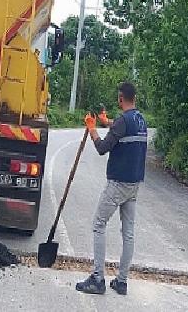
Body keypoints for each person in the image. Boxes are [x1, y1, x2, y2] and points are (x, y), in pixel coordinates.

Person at [75, 82, 147, 296]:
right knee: (129, 233)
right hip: (134, 185)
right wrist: (107, 122)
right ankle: (122, 281)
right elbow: (120, 130)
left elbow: (102, 148)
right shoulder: (140, 120)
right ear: (134, 98)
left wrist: (92, 128)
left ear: (120, 98)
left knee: (99, 223)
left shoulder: (122, 121)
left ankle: (97, 279)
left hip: (118, 183)